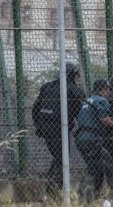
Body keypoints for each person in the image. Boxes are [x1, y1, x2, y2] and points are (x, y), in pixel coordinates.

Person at [32, 61, 86, 199]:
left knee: (60, 157)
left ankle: (52, 185)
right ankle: (53, 189)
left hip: (46, 127)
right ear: (70, 74)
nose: (76, 77)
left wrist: (39, 126)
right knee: (63, 158)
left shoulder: (47, 86)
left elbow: (35, 109)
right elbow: (79, 109)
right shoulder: (71, 88)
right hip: (59, 127)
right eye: (75, 75)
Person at [75, 79, 113, 204]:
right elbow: (104, 120)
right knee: (104, 164)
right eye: (108, 89)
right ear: (103, 89)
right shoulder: (101, 100)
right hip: (91, 138)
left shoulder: (89, 100)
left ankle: (88, 197)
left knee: (98, 164)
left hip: (81, 137)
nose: (109, 92)